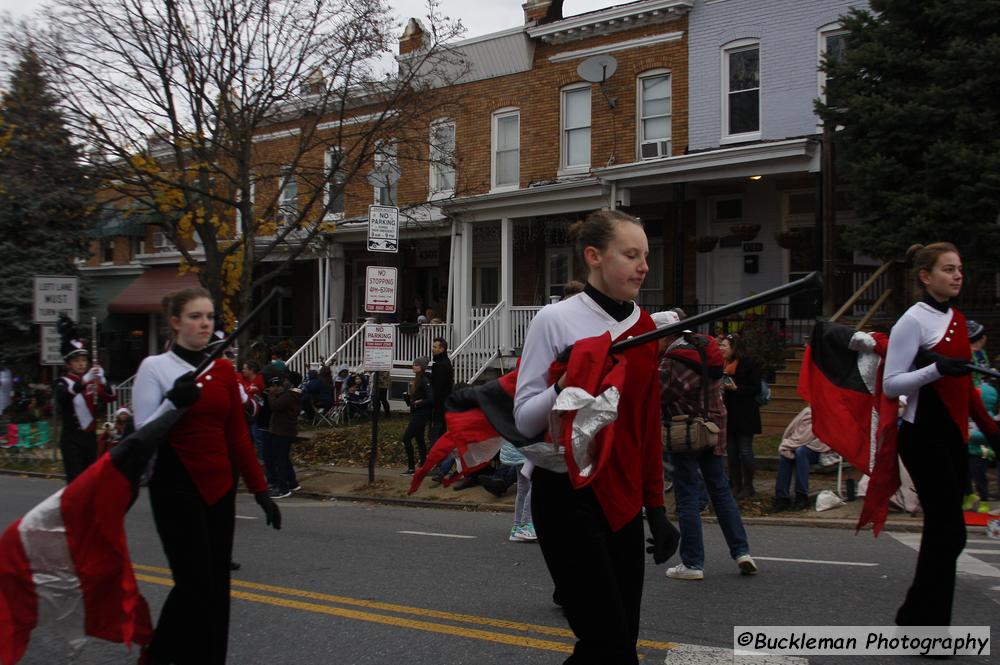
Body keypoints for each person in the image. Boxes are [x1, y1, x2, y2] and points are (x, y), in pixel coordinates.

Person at [513, 210, 679, 664]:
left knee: (622, 643)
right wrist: (568, 383)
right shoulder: (554, 320)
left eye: (645, 255)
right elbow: (525, 419)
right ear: (594, 256)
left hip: (623, 502)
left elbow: (645, 426)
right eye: (631, 255)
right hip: (567, 495)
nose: (644, 265)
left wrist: (657, 509)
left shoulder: (645, 328)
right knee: (605, 644)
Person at [132, 287, 281, 664]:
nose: (204, 323)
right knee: (193, 583)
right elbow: (142, 436)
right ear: (175, 323)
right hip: (174, 483)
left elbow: (236, 436)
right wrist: (173, 402)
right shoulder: (155, 368)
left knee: (216, 585)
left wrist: (260, 489)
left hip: (220, 487)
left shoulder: (224, 370)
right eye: (195, 316)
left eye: (209, 317)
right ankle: (159, 655)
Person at [882, 242, 999, 627]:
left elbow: (965, 389)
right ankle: (928, 626)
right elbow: (891, 384)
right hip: (923, 434)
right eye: (948, 269)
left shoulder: (960, 320)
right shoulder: (911, 321)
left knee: (950, 534)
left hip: (952, 436)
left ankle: (913, 614)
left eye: (959, 268)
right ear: (925, 276)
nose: (957, 275)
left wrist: (992, 432)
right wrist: (935, 370)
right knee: (947, 533)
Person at [655, 311, 757, 581]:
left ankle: (692, 563)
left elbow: (658, 396)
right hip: (715, 428)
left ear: (666, 336)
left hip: (686, 432)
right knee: (721, 491)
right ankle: (741, 551)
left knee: (687, 496)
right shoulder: (706, 348)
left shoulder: (672, 362)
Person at [54, 318, 113, 482]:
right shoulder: (62, 382)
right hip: (71, 439)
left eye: (83, 361)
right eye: (76, 361)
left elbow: (110, 398)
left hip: (90, 438)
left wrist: (103, 381)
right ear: (68, 364)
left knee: (90, 480)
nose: (81, 364)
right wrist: (84, 380)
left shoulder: (91, 381)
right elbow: (65, 396)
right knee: (75, 481)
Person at [719, 333, 763, 498]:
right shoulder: (723, 365)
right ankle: (735, 485)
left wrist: (737, 389)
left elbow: (756, 388)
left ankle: (748, 486)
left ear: (734, 348)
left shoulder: (750, 364)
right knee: (731, 452)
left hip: (745, 414)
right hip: (729, 413)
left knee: (745, 450)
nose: (721, 348)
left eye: (724, 346)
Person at [772, 406, 838, 512]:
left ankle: (801, 496)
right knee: (786, 454)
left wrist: (805, 443)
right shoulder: (807, 411)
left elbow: (830, 438)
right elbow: (791, 428)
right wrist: (793, 442)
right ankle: (781, 498)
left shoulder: (831, 413)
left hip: (818, 450)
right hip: (797, 443)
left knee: (800, 452)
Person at [266, 370, 302, 498]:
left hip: (282, 431)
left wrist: (271, 395)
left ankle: (283, 488)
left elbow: (275, 406)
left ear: (290, 383)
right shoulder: (292, 395)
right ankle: (292, 482)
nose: (283, 382)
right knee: (284, 458)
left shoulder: (288, 396)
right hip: (287, 430)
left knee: (280, 459)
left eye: (286, 380)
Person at [965, 383, 997, 514]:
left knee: (979, 477)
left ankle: (984, 501)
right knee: (964, 475)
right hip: (967, 450)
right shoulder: (968, 413)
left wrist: (971, 435)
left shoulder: (986, 415)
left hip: (981, 452)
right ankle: (968, 496)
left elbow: (988, 433)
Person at [401, 357, 433, 475]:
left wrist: (419, 402)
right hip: (416, 412)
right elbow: (417, 399)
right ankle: (424, 466)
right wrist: (410, 399)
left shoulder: (424, 380)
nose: (414, 366)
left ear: (422, 367)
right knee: (420, 440)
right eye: (413, 364)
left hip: (421, 414)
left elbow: (430, 399)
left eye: (417, 365)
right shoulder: (417, 379)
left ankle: (411, 467)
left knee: (406, 438)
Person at [429, 336, 453, 443]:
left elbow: (439, 387)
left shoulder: (442, 365)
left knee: (437, 432)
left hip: (440, 405)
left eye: (435, 347)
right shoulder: (440, 363)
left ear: (442, 349)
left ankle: (435, 453)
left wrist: (432, 401)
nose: (432, 349)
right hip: (441, 404)